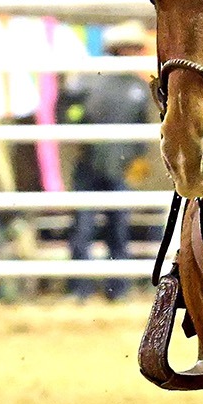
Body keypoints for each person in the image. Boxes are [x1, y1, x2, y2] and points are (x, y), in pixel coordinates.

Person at [59, 21, 157, 301]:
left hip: (118, 165)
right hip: (93, 162)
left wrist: (137, 159)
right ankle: (83, 289)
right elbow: (70, 113)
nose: (138, 52)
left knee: (115, 227)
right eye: (133, 47)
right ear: (119, 50)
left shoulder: (135, 86)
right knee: (85, 227)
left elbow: (140, 129)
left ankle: (112, 288)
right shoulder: (95, 81)